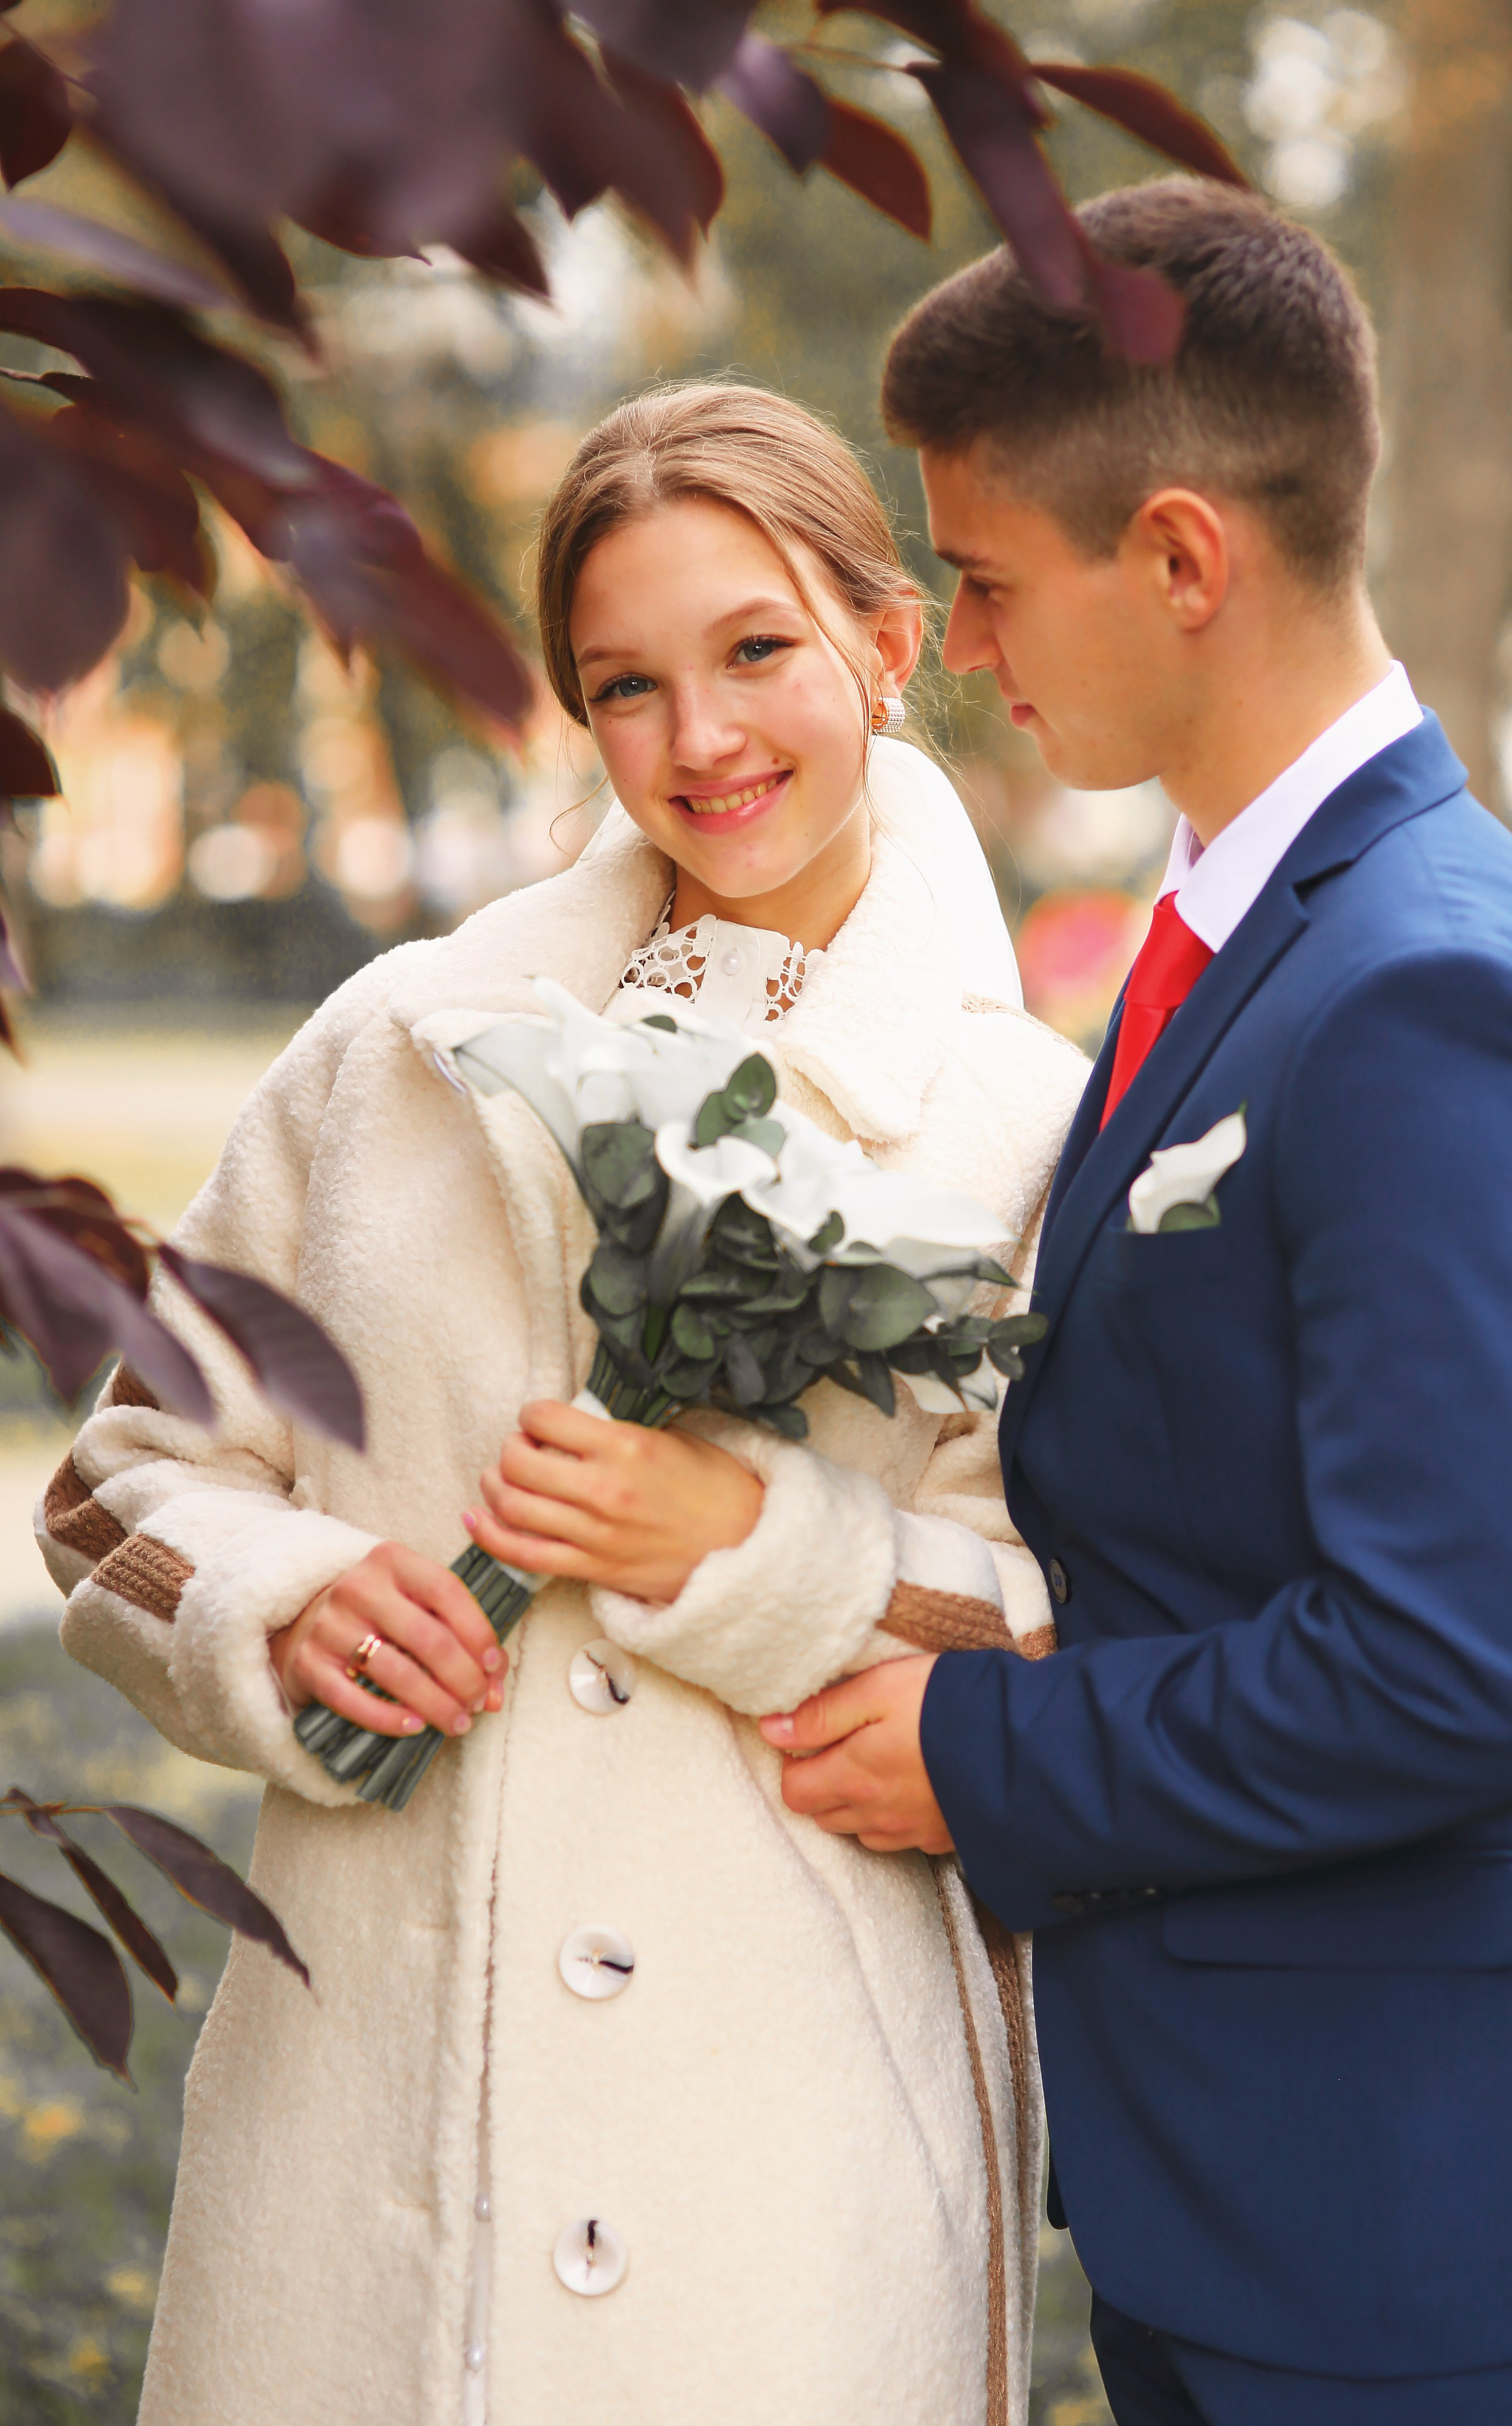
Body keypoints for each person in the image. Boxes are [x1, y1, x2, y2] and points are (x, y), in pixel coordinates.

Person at [35, 384, 1083, 2426]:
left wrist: (766, 1558)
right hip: (364, 2145)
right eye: (626, 684)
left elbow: (1082, 1623)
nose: (702, 740)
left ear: (890, 637)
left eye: (758, 651)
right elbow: (115, 1485)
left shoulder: (1035, 1127)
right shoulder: (395, 1050)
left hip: (796, 2172)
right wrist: (279, 1598)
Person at [761, 181, 1512, 2424]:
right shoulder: (1250, 936)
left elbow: (1475, 1669)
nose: (953, 641)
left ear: (1180, 559)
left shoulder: (1434, 988)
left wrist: (981, 1752)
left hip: (1407, 2242)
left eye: (984, 576)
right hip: (1237, 2180)